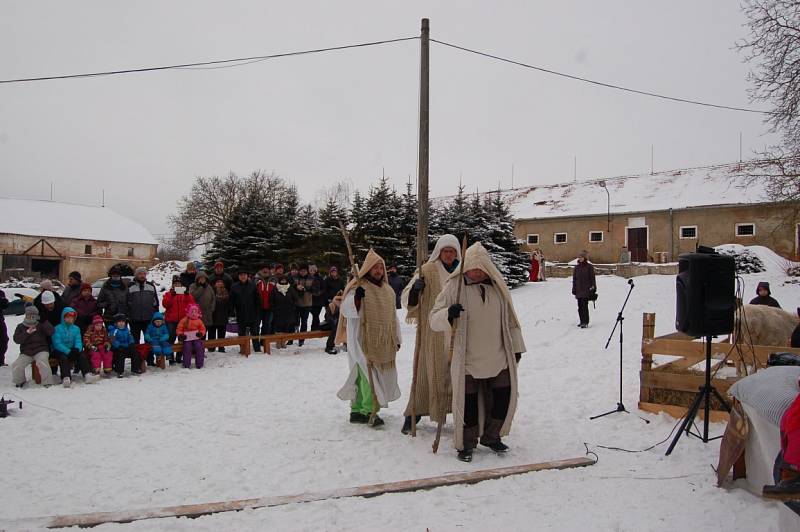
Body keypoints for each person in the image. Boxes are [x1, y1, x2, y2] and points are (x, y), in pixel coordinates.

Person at [430, 242, 526, 462]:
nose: (477, 272)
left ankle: (492, 436)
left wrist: (517, 347)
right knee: (468, 403)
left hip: (498, 355)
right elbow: (433, 319)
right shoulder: (454, 286)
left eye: (481, 268)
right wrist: (448, 314)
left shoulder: (497, 287)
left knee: (503, 396)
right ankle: (467, 443)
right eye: (473, 268)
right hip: (467, 357)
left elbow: (510, 320)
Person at [400, 234, 462, 435]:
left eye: (452, 251)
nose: (449, 255)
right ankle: (414, 413)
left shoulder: (463, 271)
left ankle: (461, 414)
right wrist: (415, 291)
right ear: (439, 252)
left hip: (457, 332)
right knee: (426, 373)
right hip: (432, 331)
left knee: (457, 374)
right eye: (445, 251)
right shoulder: (427, 270)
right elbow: (406, 299)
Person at [335, 249, 402, 428]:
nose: (379, 271)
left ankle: (356, 409)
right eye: (375, 268)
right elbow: (345, 309)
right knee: (366, 373)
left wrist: (396, 338)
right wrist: (356, 299)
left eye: (381, 267)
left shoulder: (388, 291)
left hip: (382, 341)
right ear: (368, 269)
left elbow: (393, 316)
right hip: (360, 339)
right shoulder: (359, 286)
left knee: (362, 373)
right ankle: (369, 410)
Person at [51, 307, 98, 387]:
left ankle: (87, 374)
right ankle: (66, 377)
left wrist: (77, 349)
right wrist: (67, 351)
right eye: (68, 317)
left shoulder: (76, 328)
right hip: (60, 350)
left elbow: (78, 341)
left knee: (82, 355)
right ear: (63, 317)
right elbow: (57, 343)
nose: (70, 319)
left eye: (72, 317)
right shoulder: (57, 328)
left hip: (72, 349)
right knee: (63, 358)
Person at [12, 305, 54, 387]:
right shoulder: (20, 326)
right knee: (17, 365)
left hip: (41, 350)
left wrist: (45, 322)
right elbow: (16, 340)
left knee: (42, 362)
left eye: (33, 315)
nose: (31, 317)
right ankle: (20, 381)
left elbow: (51, 332)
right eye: (29, 315)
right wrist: (27, 333)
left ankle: (47, 382)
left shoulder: (40, 325)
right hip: (26, 352)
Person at [162, 276, 196, 363]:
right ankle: (170, 357)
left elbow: (192, 303)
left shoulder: (184, 294)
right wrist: (172, 296)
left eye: (178, 283)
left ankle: (179, 356)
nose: (177, 285)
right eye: (175, 283)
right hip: (170, 320)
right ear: (173, 285)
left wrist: (187, 294)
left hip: (182, 320)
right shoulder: (168, 294)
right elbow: (165, 304)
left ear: (181, 285)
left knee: (182, 339)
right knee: (171, 338)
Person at [127, 267, 159, 345]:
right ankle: (136, 357)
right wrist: (128, 315)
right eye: (140, 274)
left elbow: (155, 303)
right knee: (135, 341)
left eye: (144, 274)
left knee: (149, 341)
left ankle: (149, 357)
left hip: (148, 319)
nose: (142, 275)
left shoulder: (151, 286)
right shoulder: (130, 286)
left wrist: (155, 315)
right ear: (136, 275)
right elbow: (126, 302)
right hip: (134, 319)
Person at [230, 270, 260, 353]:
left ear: (247, 276)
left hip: (252, 312)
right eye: (241, 275)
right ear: (239, 276)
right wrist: (232, 311)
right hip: (240, 313)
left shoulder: (253, 285)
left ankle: (257, 348)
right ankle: (243, 348)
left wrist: (258, 312)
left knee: (255, 331)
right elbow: (231, 301)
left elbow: (257, 300)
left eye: (244, 275)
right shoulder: (234, 286)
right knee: (241, 332)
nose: (243, 276)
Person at [270, 275, 298, 350]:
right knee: (278, 328)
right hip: (278, 311)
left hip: (288, 311)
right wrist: (274, 309)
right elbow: (271, 300)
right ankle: (278, 342)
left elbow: (295, 299)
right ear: (279, 280)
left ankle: (283, 342)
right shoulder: (275, 288)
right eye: (282, 280)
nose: (283, 281)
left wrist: (292, 307)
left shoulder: (290, 288)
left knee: (286, 327)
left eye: (284, 280)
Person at [293, 264, 317, 345]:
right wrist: (296, 287)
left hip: (307, 303)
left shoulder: (312, 278)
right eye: (301, 271)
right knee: (295, 321)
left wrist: (305, 288)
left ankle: (301, 339)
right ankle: (291, 338)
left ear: (307, 271)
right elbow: (290, 287)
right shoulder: (295, 277)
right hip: (296, 303)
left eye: (304, 271)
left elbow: (315, 290)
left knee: (304, 321)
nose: (303, 272)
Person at [177, 304, 206, 369]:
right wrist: (181, 335)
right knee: (187, 348)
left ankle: (199, 364)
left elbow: (203, 329)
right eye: (192, 311)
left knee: (199, 347)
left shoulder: (199, 321)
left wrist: (201, 333)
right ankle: (186, 364)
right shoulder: (184, 320)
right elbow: (179, 329)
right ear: (189, 312)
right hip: (187, 338)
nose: (193, 313)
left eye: (195, 311)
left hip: (196, 337)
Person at [572, 250, 596, 328]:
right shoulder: (577, 267)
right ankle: (581, 321)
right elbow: (574, 279)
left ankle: (585, 322)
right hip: (579, 289)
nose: (580, 258)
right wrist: (574, 289)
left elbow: (592, 278)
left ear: (584, 258)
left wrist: (593, 287)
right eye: (579, 257)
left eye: (581, 257)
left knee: (584, 306)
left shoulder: (589, 267)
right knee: (579, 306)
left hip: (586, 289)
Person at [188, 270, 216, 337]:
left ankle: (209, 347)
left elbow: (213, 298)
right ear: (197, 279)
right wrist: (201, 287)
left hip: (208, 313)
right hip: (197, 314)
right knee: (199, 334)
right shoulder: (193, 286)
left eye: (203, 278)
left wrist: (212, 308)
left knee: (207, 331)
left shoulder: (209, 287)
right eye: (200, 278)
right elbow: (192, 296)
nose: (202, 279)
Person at [209, 278, 230, 352]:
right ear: (215, 284)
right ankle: (211, 347)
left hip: (223, 315)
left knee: (222, 333)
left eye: (221, 282)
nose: (219, 284)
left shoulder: (226, 291)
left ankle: (221, 347)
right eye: (217, 282)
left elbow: (228, 303)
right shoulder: (211, 291)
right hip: (213, 315)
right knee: (211, 333)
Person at [256, 266, 275, 337]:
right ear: (261, 270)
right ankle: (256, 341)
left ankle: (264, 341)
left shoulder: (273, 279)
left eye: (267, 269)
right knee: (256, 325)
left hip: (269, 307)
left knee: (267, 325)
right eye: (263, 269)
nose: (265, 270)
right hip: (258, 307)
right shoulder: (256, 279)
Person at [309, 264, 325, 330]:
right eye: (311, 270)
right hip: (310, 299)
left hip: (319, 299)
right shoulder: (307, 278)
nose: (312, 271)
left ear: (315, 270)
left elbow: (323, 287)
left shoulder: (319, 278)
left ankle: (315, 328)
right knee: (314, 314)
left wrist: (319, 292)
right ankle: (315, 327)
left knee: (316, 314)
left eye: (313, 270)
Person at [0, 290, 8, 366]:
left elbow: (5, 306)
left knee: (4, 340)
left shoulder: (1, 293)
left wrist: (5, 302)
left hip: (0, 321)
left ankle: (1, 360)